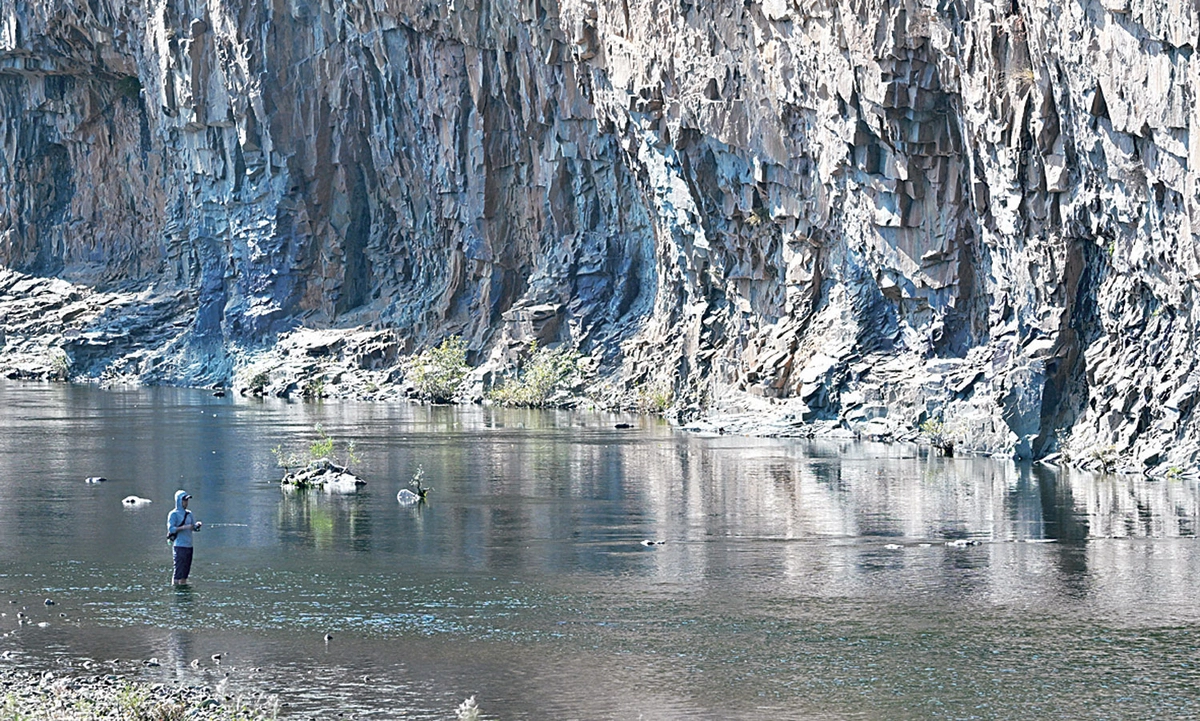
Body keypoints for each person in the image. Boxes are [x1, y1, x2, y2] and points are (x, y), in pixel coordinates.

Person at [167, 490, 202, 585]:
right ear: (179, 501)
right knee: (178, 572)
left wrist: (197, 526)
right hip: (179, 546)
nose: (186, 502)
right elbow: (171, 529)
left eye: (187, 500)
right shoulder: (173, 514)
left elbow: (193, 528)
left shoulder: (189, 514)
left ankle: (183, 589)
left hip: (189, 546)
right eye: (184, 500)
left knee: (185, 574)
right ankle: (176, 591)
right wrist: (185, 527)